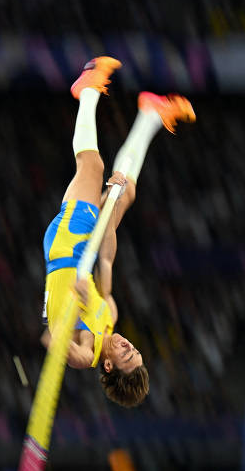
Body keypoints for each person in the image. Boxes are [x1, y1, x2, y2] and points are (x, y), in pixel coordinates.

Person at [40, 56, 195, 407]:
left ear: (108, 365)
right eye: (136, 350)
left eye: (126, 356)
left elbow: (64, 350)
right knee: (127, 194)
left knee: (91, 165)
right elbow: (106, 259)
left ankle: (88, 91)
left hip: (66, 246)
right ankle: (150, 116)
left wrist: (63, 331)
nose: (129, 346)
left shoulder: (87, 346)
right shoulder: (109, 315)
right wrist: (112, 202)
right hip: (89, 247)